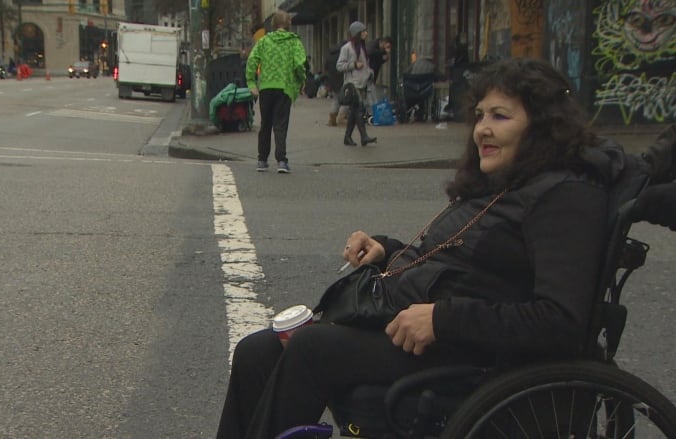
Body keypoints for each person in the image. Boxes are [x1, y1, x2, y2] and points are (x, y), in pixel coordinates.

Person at [216, 58, 633, 438]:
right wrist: (387, 249)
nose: (482, 129)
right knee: (259, 350)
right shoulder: (507, 180)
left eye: (500, 116)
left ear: (542, 125)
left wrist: (444, 320)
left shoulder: (566, 196)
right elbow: (460, 258)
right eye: (480, 115)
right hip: (428, 327)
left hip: (475, 355)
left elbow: (559, 320)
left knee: (310, 350)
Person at [245, 9, 307, 174]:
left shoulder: (264, 41)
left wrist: (251, 82)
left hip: (265, 87)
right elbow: (300, 64)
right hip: (284, 88)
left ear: (273, 25)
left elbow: (252, 60)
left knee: (265, 123)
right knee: (280, 124)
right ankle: (281, 160)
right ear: (288, 25)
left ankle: (262, 159)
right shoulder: (294, 42)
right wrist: (301, 80)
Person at [336, 21, 377, 146]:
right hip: (353, 84)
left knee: (355, 112)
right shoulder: (347, 48)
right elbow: (339, 66)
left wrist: (369, 73)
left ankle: (347, 137)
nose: (366, 33)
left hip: (362, 83)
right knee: (359, 109)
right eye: (363, 31)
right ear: (357, 33)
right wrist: (353, 65)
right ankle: (364, 136)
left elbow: (365, 65)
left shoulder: (363, 48)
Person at [365, 35, 392, 107]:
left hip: (374, 70)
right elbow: (370, 52)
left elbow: (379, 61)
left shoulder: (381, 51)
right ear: (383, 43)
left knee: (371, 90)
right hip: (367, 70)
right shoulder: (373, 45)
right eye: (387, 46)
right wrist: (383, 52)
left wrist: (384, 59)